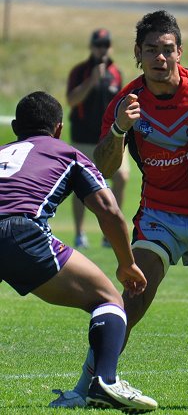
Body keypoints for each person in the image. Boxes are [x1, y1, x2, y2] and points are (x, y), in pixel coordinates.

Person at [49, 10, 188, 408]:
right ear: (137, 54)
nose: (160, 58)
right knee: (130, 298)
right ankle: (87, 386)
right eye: (151, 50)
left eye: (167, 50)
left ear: (179, 52)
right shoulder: (125, 103)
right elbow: (106, 168)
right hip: (158, 217)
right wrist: (117, 131)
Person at [0, 91, 157, 412]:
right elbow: (109, 211)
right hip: (20, 232)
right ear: (58, 129)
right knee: (108, 300)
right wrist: (126, 264)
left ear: (15, 126)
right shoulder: (68, 154)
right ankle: (106, 382)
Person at [67, 28, 130, 249]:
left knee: (121, 177)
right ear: (91, 46)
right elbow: (72, 100)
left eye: (106, 44)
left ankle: (110, 234)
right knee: (80, 185)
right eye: (98, 44)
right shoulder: (79, 71)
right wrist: (91, 81)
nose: (102, 49)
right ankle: (79, 233)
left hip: (110, 138)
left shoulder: (116, 73)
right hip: (83, 138)